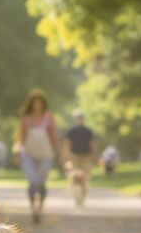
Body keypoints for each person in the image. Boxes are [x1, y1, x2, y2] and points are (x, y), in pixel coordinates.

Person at [17, 88, 60, 223]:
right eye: (35, 102)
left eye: (39, 102)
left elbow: (53, 134)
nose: (37, 105)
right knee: (33, 180)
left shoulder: (48, 117)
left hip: (46, 154)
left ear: (43, 103)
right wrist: (17, 152)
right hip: (28, 153)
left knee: (41, 181)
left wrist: (57, 150)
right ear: (31, 103)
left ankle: (40, 205)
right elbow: (21, 137)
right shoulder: (26, 118)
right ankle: (33, 207)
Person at [62, 109, 97, 202]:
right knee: (74, 176)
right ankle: (76, 195)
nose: (78, 119)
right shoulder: (71, 131)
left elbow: (92, 144)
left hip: (86, 156)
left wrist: (94, 156)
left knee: (85, 176)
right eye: (77, 118)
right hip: (74, 156)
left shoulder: (87, 131)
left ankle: (83, 195)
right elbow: (67, 144)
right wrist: (66, 158)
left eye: (80, 117)